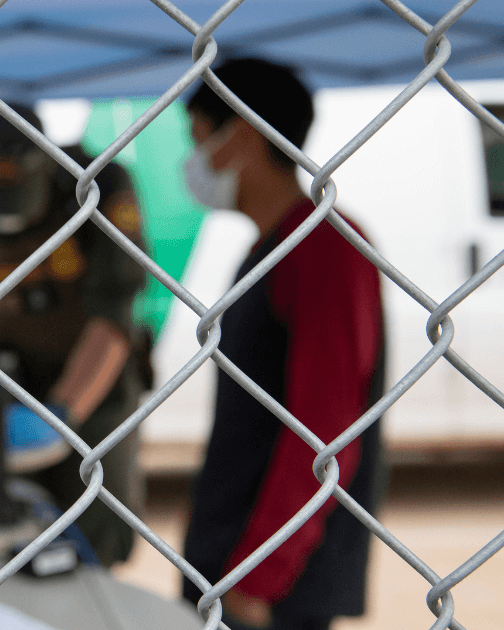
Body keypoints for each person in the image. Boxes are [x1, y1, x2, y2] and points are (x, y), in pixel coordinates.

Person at [179, 58, 386, 630]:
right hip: (235, 558)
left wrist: (259, 576)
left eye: (198, 139)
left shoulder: (324, 249)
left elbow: (325, 430)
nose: (191, 164)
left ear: (242, 136)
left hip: (273, 589)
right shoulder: (274, 246)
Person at [0, 104, 151, 567]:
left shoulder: (99, 190)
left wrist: (62, 415)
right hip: (16, 385)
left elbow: (115, 315)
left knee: (97, 530)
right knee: (11, 529)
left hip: (95, 387)